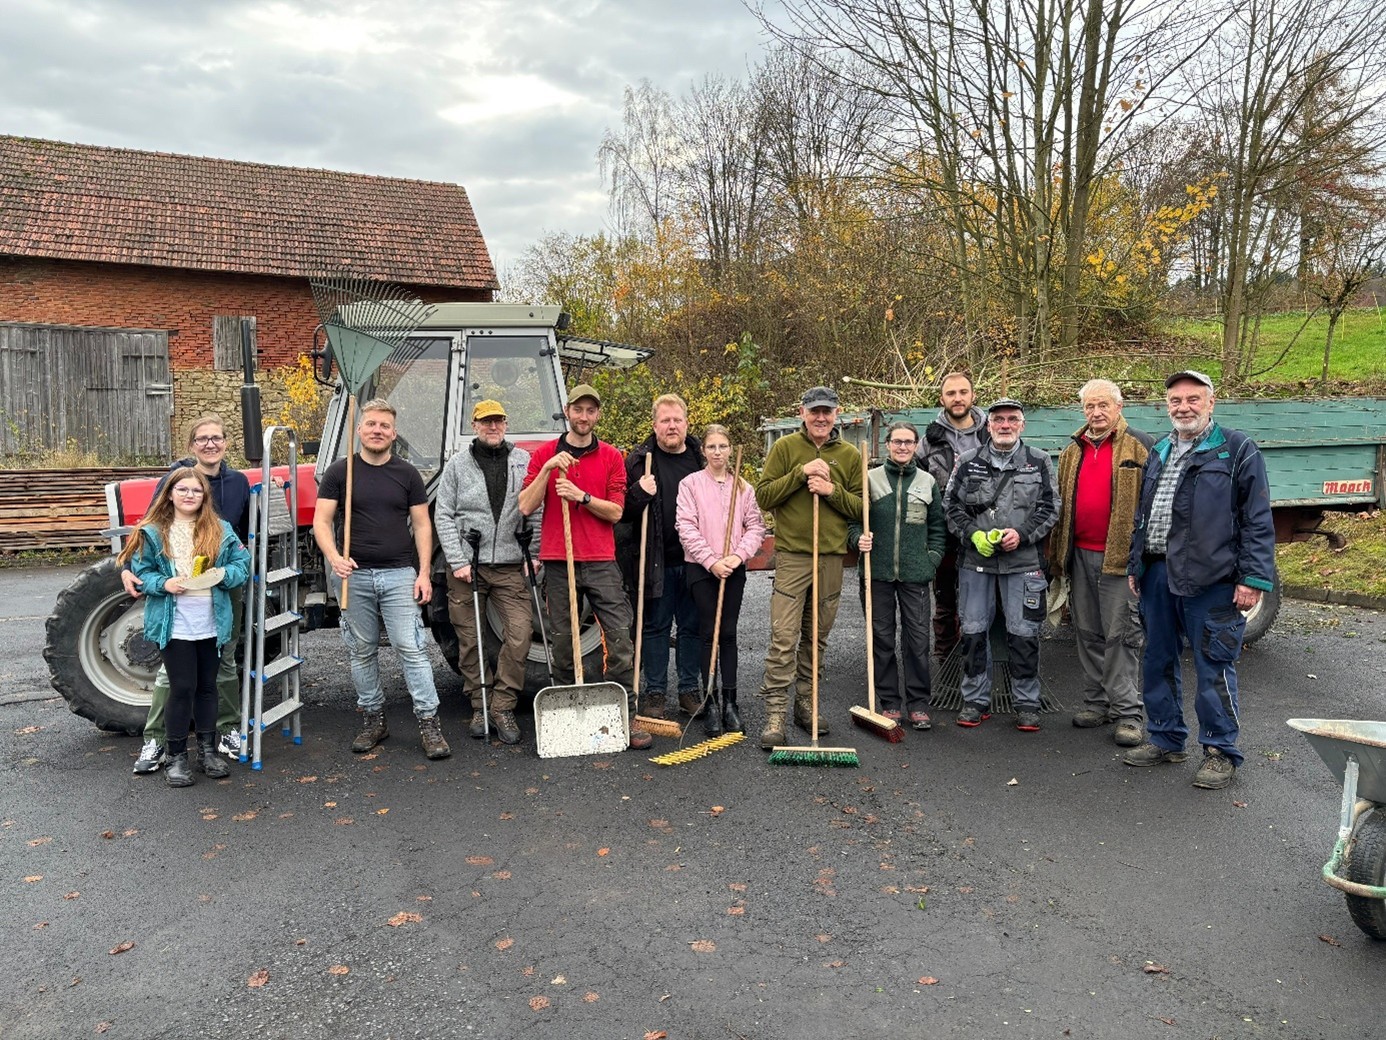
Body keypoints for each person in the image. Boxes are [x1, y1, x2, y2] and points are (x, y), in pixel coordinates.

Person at [1124, 370, 1275, 789]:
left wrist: (1252, 578)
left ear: (1211, 402)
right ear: (1166, 405)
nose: (1183, 407)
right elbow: (1144, 514)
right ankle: (1166, 738)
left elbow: (1257, 519)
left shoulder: (1235, 449)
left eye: (1193, 399)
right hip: (1157, 572)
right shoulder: (1159, 450)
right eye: (1175, 400)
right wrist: (1136, 566)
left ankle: (1220, 750)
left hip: (1212, 578)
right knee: (1157, 658)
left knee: (1213, 663)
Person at [312, 399, 451, 760]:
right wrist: (334, 558)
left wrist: (423, 573)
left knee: (412, 650)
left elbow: (423, 525)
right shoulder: (340, 472)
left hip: (399, 575)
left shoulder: (407, 475)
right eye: (370, 424)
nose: (377, 430)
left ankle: (428, 721)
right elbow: (321, 522)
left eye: (384, 426)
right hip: (352, 577)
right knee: (361, 651)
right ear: (359, 430)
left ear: (393, 433)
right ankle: (374, 719)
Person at [517, 383, 650, 751]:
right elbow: (525, 506)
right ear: (567, 411)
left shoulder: (611, 456)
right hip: (560, 561)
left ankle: (626, 715)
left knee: (621, 636)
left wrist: (582, 497)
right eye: (579, 410)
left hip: (601, 560)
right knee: (562, 641)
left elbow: (617, 511)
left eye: (591, 411)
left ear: (598, 415)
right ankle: (567, 716)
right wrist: (547, 469)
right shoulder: (546, 453)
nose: (584, 416)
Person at [126, 414, 252, 774]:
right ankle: (167, 748)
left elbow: (242, 558)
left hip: (215, 607)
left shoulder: (229, 509)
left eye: (217, 437)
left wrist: (225, 575)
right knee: (178, 683)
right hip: (174, 615)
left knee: (215, 676)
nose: (210, 444)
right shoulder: (158, 525)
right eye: (202, 438)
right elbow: (141, 561)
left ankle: (214, 744)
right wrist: (156, 582)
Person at [753, 385, 863, 749]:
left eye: (826, 411)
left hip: (830, 558)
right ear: (802, 412)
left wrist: (832, 491)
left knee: (815, 638)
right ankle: (775, 714)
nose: (820, 417)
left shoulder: (848, 455)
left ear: (837, 413)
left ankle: (807, 705)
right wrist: (800, 474)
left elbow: (863, 509)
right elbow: (764, 497)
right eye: (814, 410)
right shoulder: (785, 449)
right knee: (784, 637)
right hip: (793, 557)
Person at [943, 398, 1059, 731]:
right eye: (998, 420)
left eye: (1012, 419)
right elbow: (951, 507)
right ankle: (975, 700)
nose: (1005, 425)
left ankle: (1026, 702)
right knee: (974, 630)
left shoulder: (1037, 462)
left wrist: (1021, 535)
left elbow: (1051, 508)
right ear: (988, 425)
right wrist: (971, 536)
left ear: (1022, 424)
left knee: (1024, 633)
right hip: (975, 562)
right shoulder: (968, 462)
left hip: (1023, 562)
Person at [1049, 379, 1153, 747]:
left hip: (1119, 560)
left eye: (1103, 406)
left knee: (1121, 634)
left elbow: (1153, 506)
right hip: (1078, 554)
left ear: (1119, 407)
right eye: (1090, 407)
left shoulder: (1139, 446)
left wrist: (1142, 559)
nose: (1096, 413)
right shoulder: (1071, 451)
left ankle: (1128, 713)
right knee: (1088, 632)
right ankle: (1097, 703)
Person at [434, 400, 535, 746]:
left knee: (520, 634)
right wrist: (457, 559)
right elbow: (443, 514)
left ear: (506, 424)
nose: (493, 427)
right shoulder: (458, 466)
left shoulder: (524, 462)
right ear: (474, 425)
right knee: (470, 639)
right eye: (485, 422)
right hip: (467, 566)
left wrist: (531, 553)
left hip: (509, 565)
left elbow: (536, 506)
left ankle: (502, 705)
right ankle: (479, 704)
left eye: (498, 421)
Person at [848, 421, 947, 730]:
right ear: (887, 444)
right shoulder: (870, 479)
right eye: (897, 441)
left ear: (916, 445)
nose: (903, 447)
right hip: (876, 572)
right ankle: (890, 702)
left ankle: (918, 703)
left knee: (917, 640)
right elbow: (852, 523)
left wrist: (931, 560)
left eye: (908, 442)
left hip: (916, 575)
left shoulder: (927, 481)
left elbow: (937, 527)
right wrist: (857, 540)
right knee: (882, 639)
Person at [674, 424, 766, 737]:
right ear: (703, 451)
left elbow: (755, 526)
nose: (717, 452)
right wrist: (712, 561)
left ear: (730, 450)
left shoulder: (744, 487)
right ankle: (710, 700)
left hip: (733, 567)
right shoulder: (690, 485)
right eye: (711, 447)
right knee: (707, 631)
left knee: (727, 632)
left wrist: (737, 557)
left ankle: (731, 702)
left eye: (723, 447)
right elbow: (685, 526)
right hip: (701, 568)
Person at [619, 394, 705, 719]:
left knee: (691, 627)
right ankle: (654, 694)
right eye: (665, 420)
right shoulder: (640, 462)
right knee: (655, 627)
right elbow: (621, 514)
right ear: (654, 425)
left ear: (686, 423)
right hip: (656, 560)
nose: (671, 426)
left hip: (695, 561)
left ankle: (688, 691)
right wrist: (639, 493)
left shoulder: (701, 460)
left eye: (677, 420)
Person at [917, 372, 990, 662]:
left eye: (963, 392)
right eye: (951, 393)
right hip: (944, 531)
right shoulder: (929, 440)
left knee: (983, 600)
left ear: (973, 396)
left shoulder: (990, 434)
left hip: (984, 530)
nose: (957, 398)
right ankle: (946, 661)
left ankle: (981, 661)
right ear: (942, 399)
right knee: (946, 600)